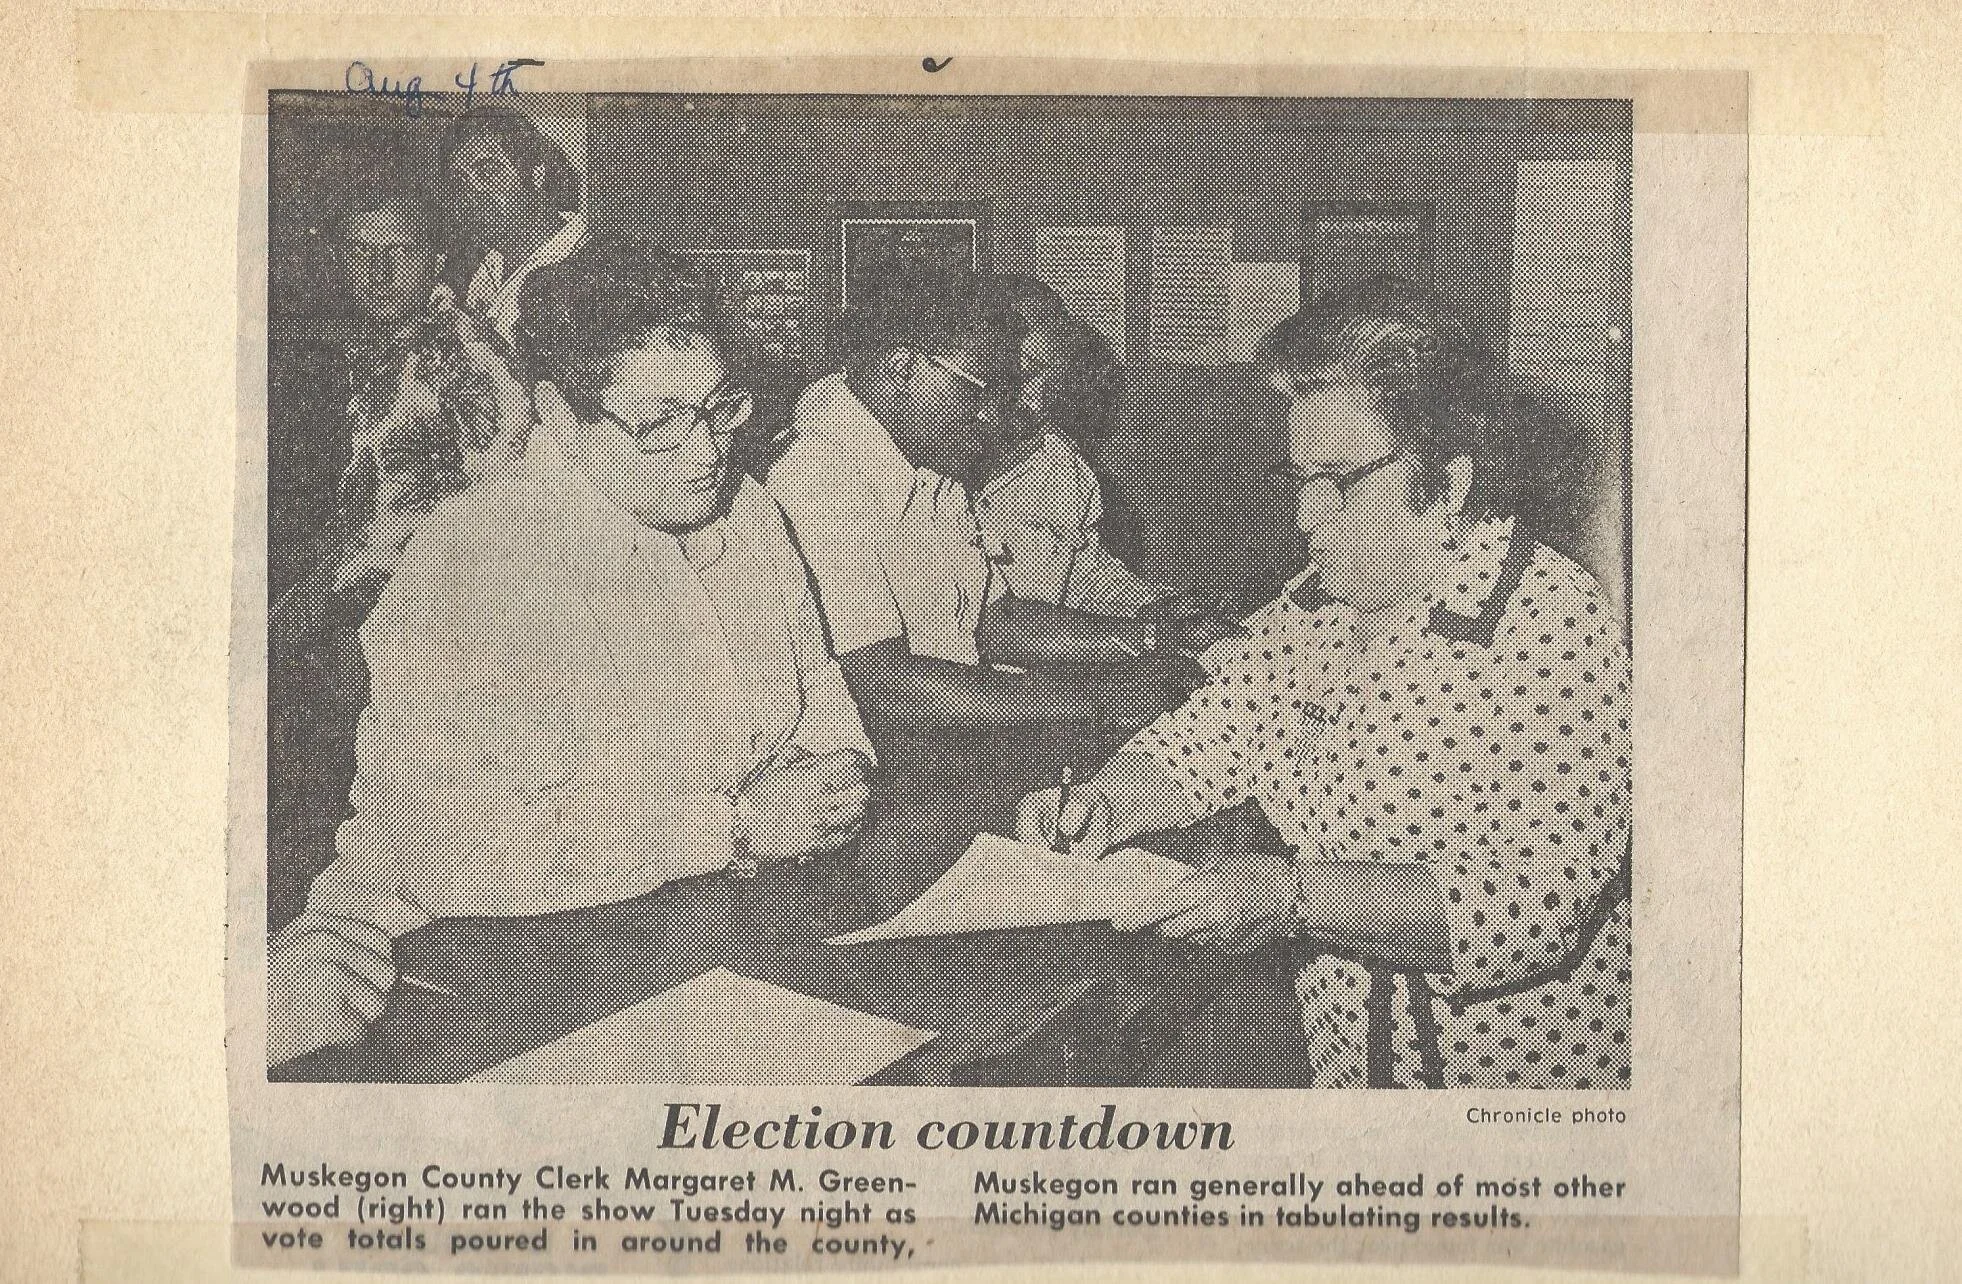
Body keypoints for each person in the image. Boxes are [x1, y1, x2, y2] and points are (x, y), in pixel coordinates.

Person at [1016, 276, 1632, 1090]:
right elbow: (1208, 740)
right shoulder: (1316, 604)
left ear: (1449, 484)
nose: (1307, 516)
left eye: (1338, 480)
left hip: (1515, 1082)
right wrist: (1105, 798)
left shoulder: (1547, 620)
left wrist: (1296, 898)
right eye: (1298, 476)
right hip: (1351, 1065)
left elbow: (1527, 906)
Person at [268, 241, 874, 1063]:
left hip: (675, 935)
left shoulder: (748, 515)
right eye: (659, 423)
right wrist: (730, 828)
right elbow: (454, 855)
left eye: (720, 406)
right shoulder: (474, 563)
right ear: (557, 412)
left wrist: (831, 777)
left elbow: (821, 695)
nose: (706, 452)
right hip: (438, 975)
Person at [765, 283, 1242, 740]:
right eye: (981, 387)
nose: (992, 412)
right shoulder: (816, 479)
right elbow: (881, 685)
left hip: (968, 734)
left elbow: (993, 619)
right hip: (898, 763)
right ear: (901, 367)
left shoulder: (931, 462)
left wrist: (1145, 635)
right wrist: (1099, 698)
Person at [439, 102, 589, 348]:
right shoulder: (482, 269)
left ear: (536, 174)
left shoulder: (586, 257)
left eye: (488, 172)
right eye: (460, 182)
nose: (473, 192)